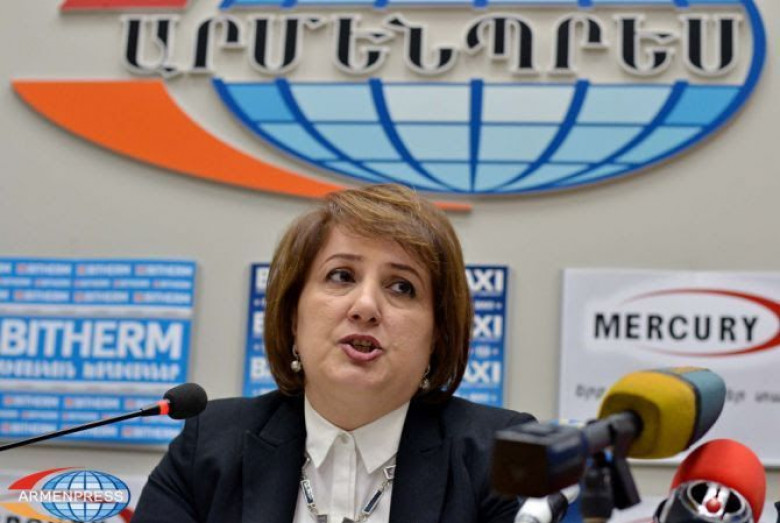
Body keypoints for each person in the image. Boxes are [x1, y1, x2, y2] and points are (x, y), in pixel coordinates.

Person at [132, 183, 535, 523]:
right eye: (341, 276)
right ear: (293, 317)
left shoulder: (500, 456)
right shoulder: (208, 447)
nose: (366, 306)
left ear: (437, 336)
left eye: (402, 286)